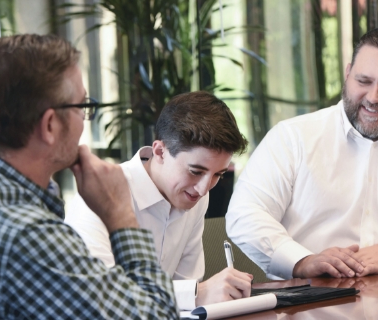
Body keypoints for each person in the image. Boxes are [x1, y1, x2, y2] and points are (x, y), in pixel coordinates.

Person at [0, 34, 178, 319]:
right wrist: (120, 214)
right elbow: (158, 315)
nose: (84, 120)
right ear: (50, 125)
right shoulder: (29, 237)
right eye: (82, 107)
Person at [226, 28, 378, 281]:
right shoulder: (292, 138)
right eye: (363, 81)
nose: (373, 97)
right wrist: (302, 261)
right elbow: (245, 213)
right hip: (307, 304)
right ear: (347, 74)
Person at [65, 91, 252, 310]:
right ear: (160, 151)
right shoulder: (100, 193)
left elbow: (186, 284)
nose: (203, 188)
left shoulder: (195, 195)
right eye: (195, 171)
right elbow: (98, 295)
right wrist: (195, 294)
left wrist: (194, 294)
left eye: (217, 175)